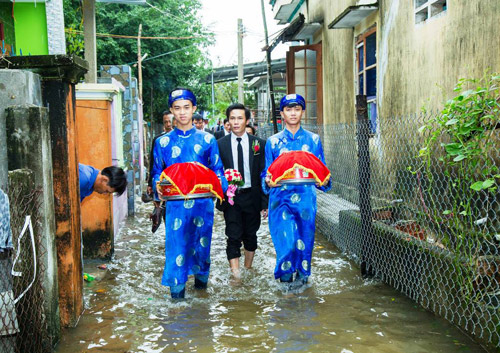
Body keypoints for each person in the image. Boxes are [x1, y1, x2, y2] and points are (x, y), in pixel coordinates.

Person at [151, 88, 227, 299]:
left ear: (194, 108)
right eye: (177, 108)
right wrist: (157, 188)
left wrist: (222, 190)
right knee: (176, 250)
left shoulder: (208, 140)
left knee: (202, 250)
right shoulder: (162, 142)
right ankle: (177, 303)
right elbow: (157, 172)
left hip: (203, 205)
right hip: (175, 206)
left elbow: (217, 169)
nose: (182, 113)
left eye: (186, 107)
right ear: (171, 111)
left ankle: (201, 298)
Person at [261, 94, 331, 286]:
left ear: (302, 112)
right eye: (288, 109)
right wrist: (267, 182)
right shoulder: (273, 142)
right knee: (286, 245)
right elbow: (265, 174)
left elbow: (322, 171)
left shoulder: (313, 140)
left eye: (297, 109)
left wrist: (322, 181)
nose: (293, 113)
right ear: (282, 113)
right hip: (280, 200)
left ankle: (302, 292)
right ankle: (285, 291)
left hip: (306, 201)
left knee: (304, 245)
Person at [216, 103, 268, 278]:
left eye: (240, 118)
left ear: (247, 120)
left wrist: (265, 202)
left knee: (251, 235)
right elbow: (216, 171)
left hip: (252, 196)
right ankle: (236, 276)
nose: (236, 122)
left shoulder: (259, 144)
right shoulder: (220, 145)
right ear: (228, 121)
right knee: (232, 235)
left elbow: (263, 173)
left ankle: (248, 268)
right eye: (232, 118)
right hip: (231, 198)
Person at [147, 112, 174, 197]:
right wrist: (150, 183)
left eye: (170, 121)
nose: (168, 124)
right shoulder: (158, 140)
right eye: (166, 122)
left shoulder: (180, 139)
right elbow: (153, 163)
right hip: (162, 178)